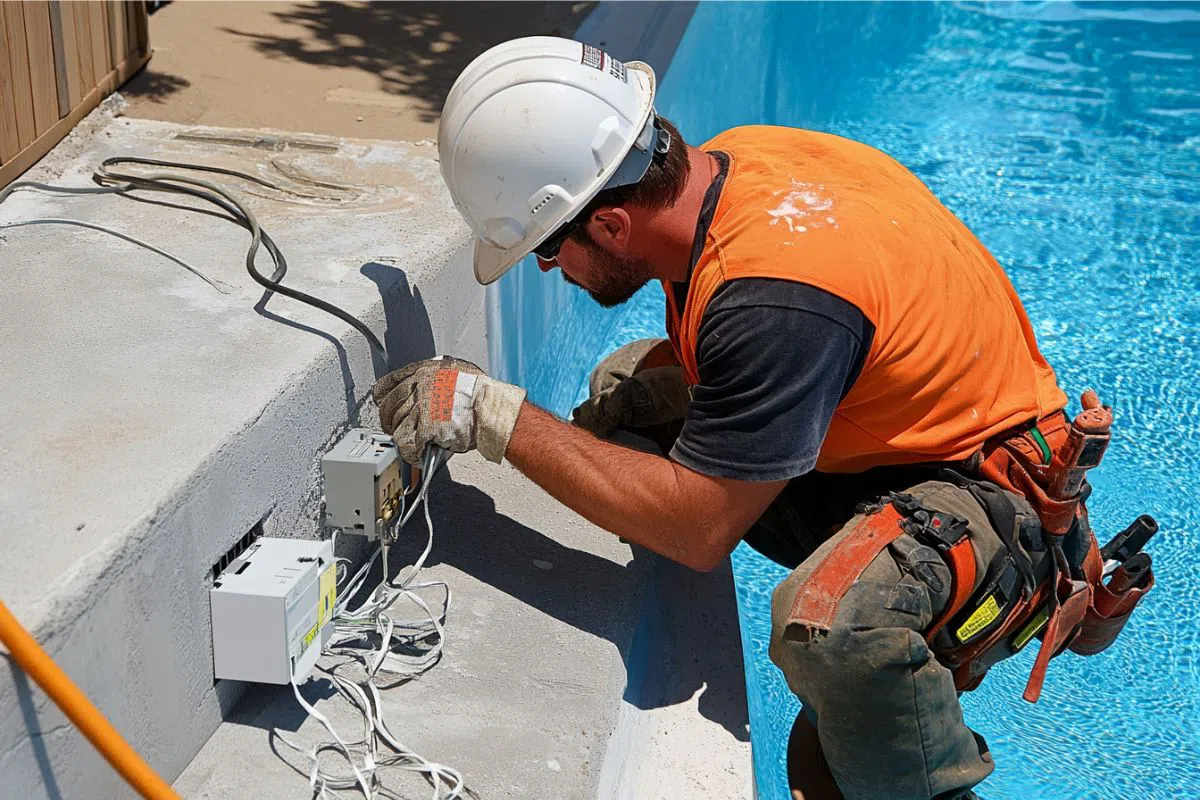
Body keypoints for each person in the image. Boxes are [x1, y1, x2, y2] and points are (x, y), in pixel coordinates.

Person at [372, 37, 1154, 800]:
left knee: (832, 630)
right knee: (627, 392)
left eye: (547, 248)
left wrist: (493, 413)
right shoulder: (737, 160)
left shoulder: (773, 300)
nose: (551, 268)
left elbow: (697, 531)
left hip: (992, 502)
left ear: (609, 226)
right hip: (899, 438)